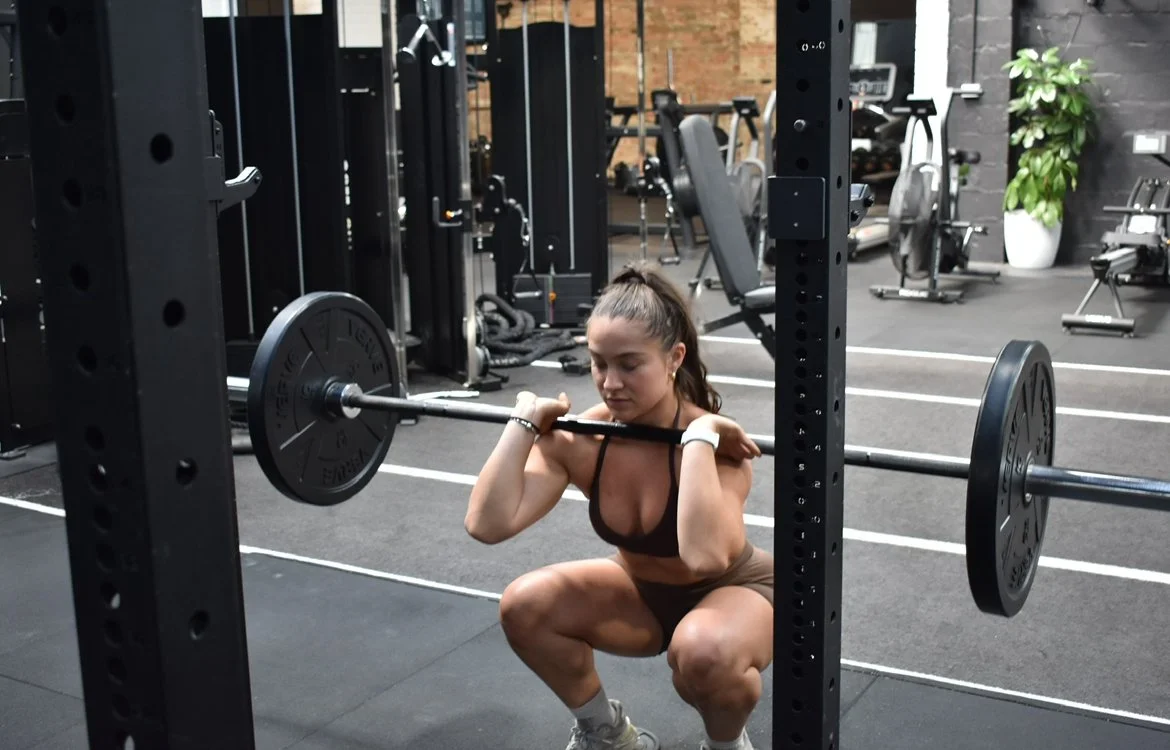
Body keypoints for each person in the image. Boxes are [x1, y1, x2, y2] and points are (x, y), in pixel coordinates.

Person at [465, 262, 774, 750]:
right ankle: (606, 733)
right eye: (598, 363)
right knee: (525, 605)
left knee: (703, 651)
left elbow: (705, 558)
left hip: (737, 591)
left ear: (674, 358)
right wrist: (521, 423)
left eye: (629, 365)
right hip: (641, 593)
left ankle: (727, 745)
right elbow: (487, 523)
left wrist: (697, 438)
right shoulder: (584, 439)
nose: (610, 383)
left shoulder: (720, 449)